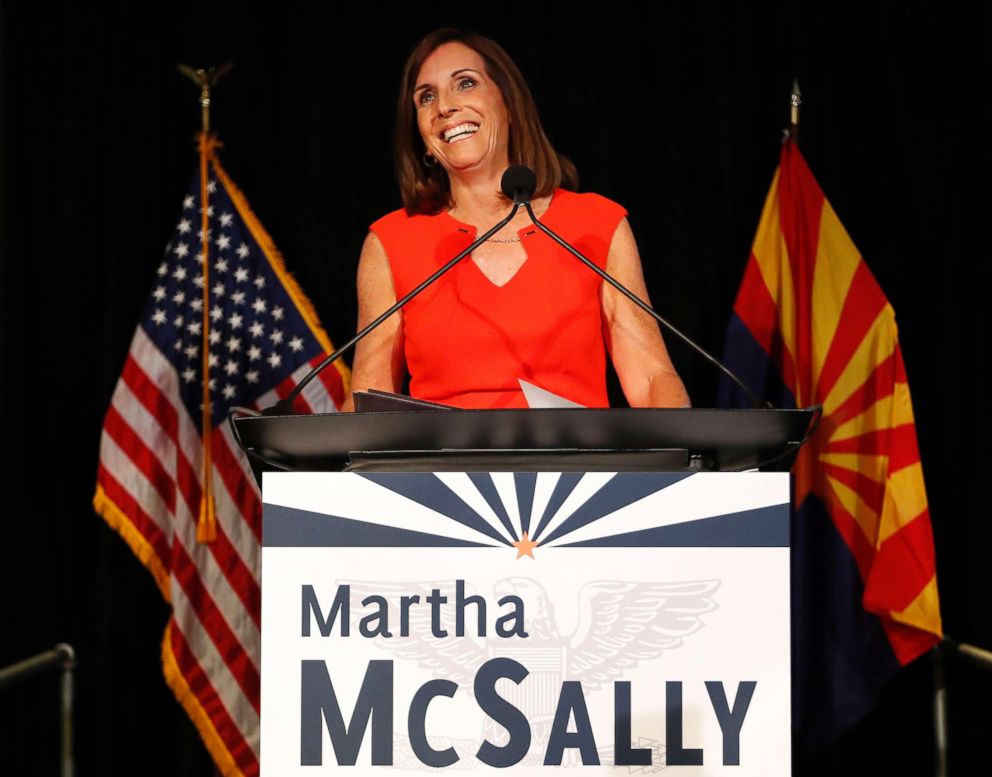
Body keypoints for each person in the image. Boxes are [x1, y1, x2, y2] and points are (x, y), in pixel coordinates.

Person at [343, 28, 688, 411]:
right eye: (427, 97)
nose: (444, 106)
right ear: (422, 136)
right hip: (441, 468)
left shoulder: (596, 223)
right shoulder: (392, 241)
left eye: (466, 83)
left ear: (508, 104)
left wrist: (684, 461)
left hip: (579, 466)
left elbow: (652, 377)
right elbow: (369, 398)